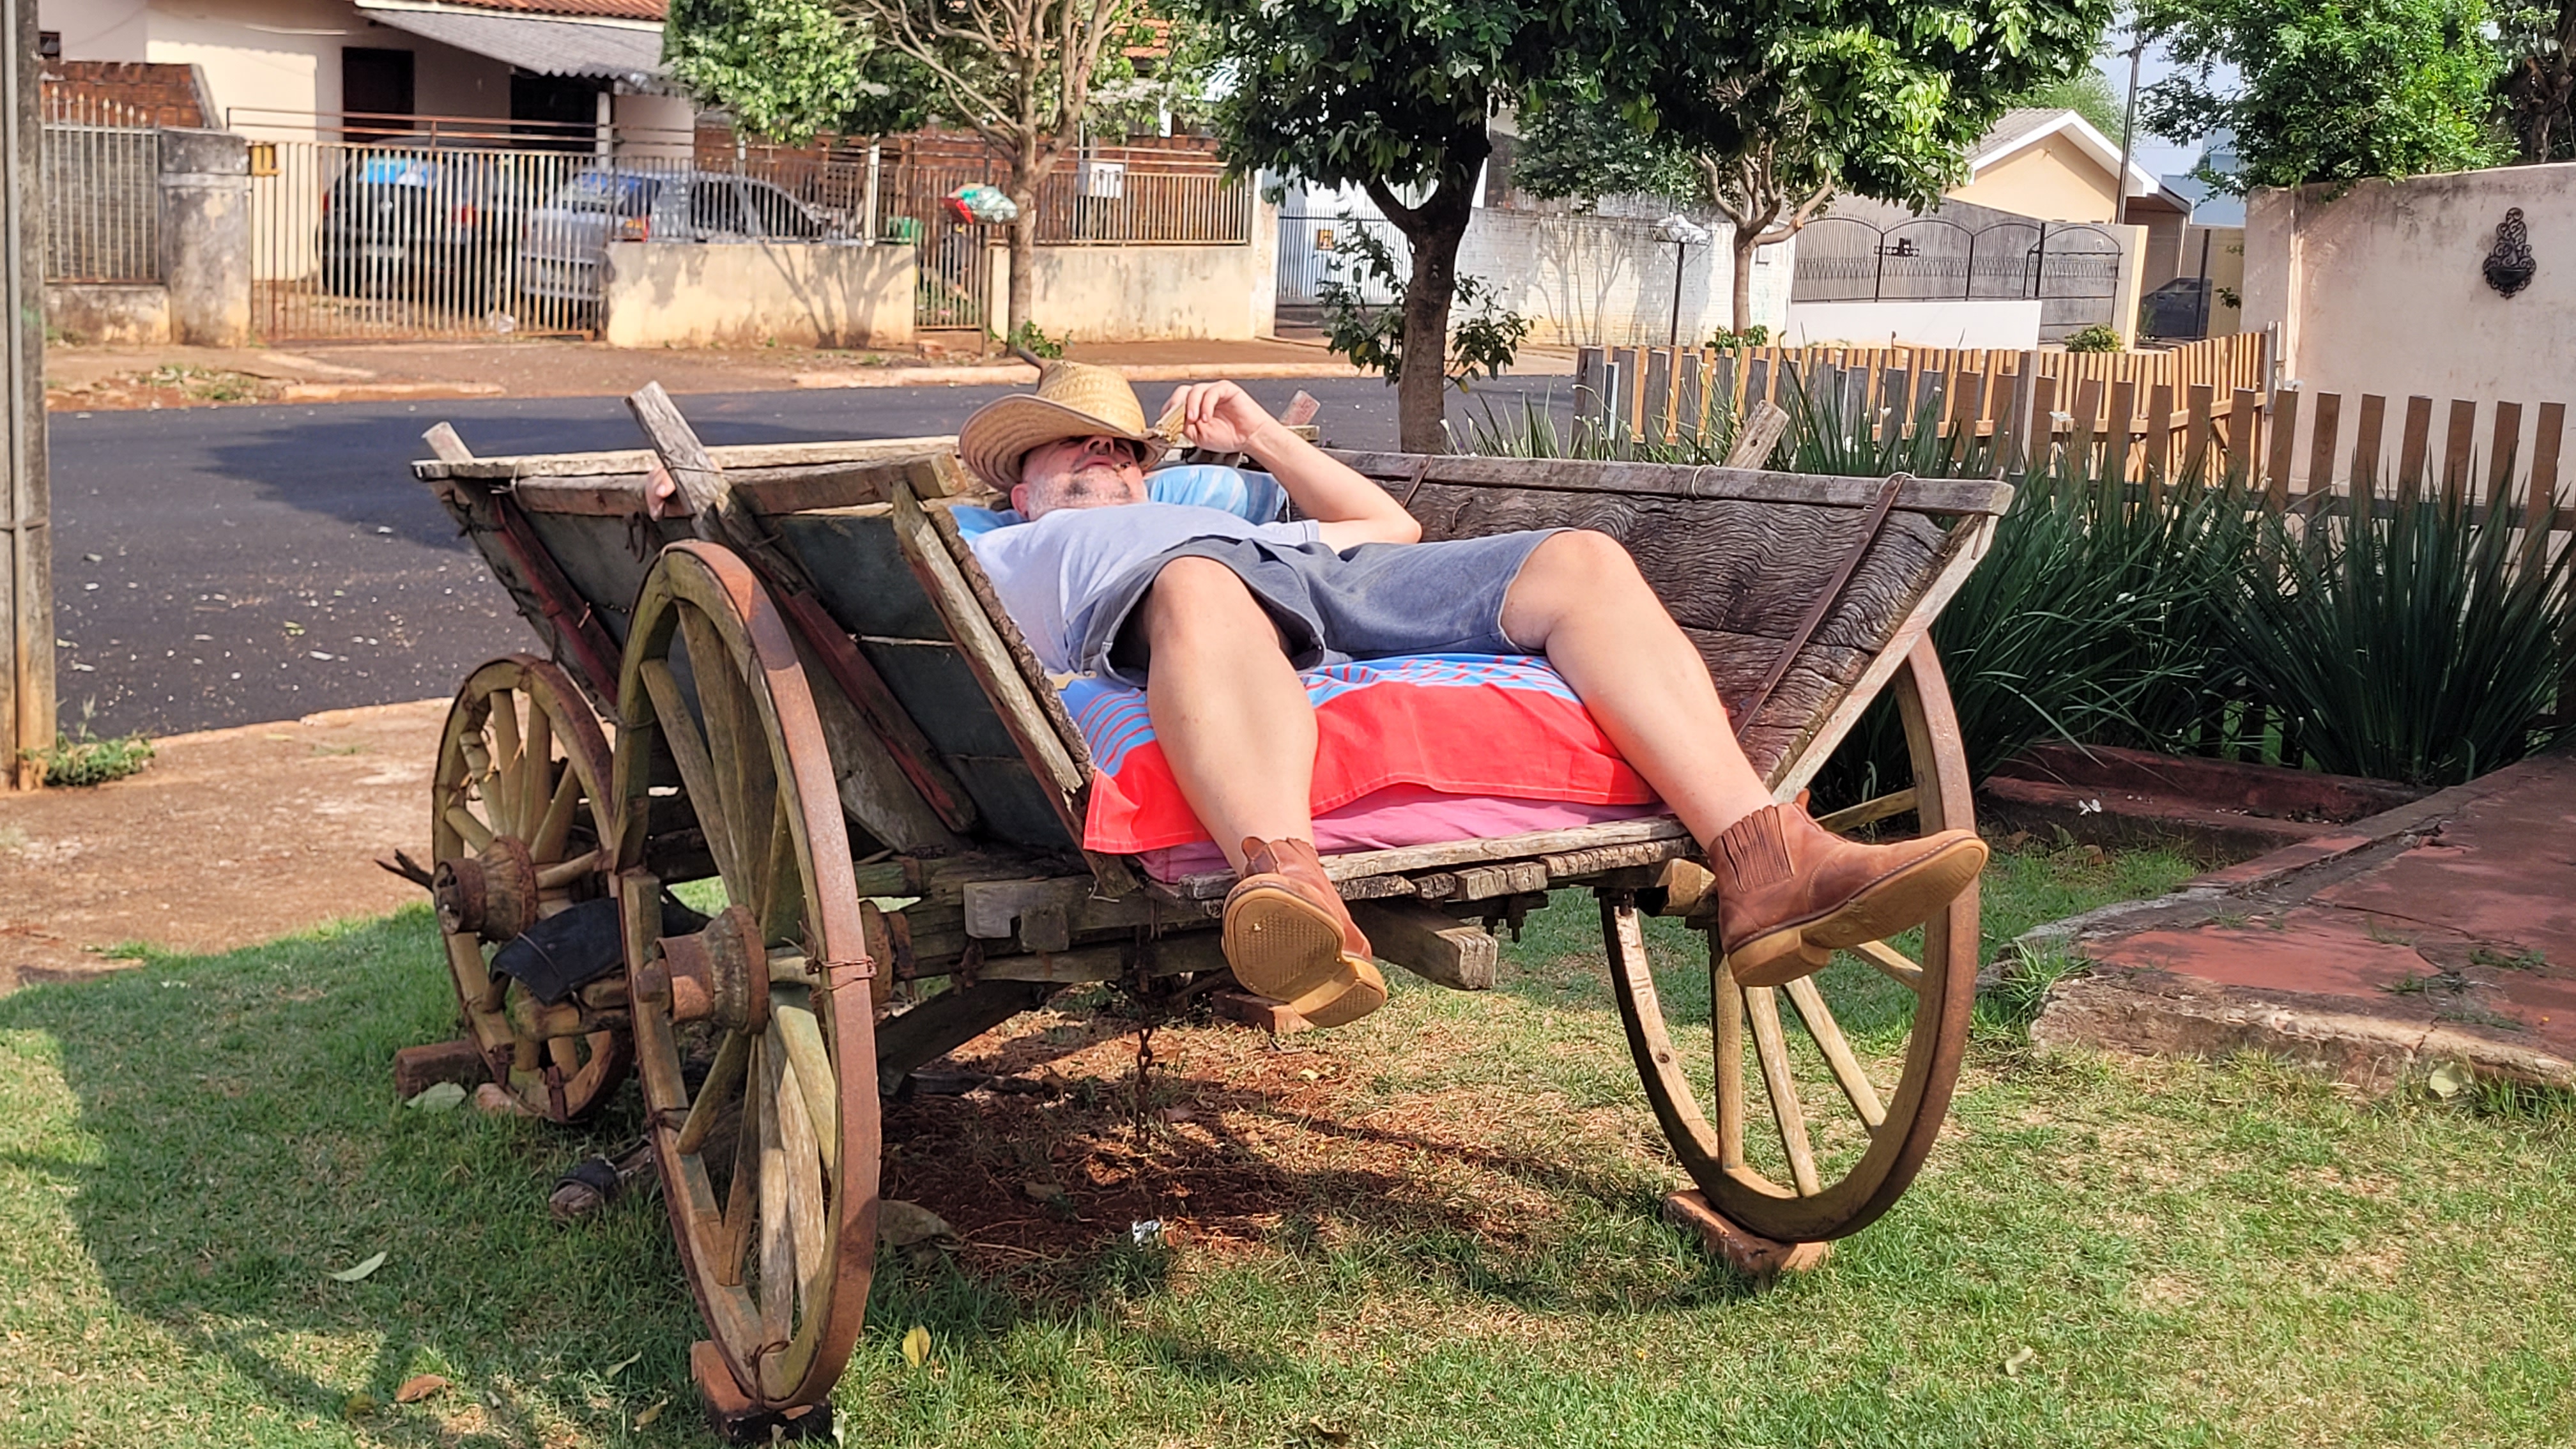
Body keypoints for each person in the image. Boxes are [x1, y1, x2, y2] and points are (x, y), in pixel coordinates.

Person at [957, 362, 1986, 1025]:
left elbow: (1392, 532)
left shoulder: (1219, 505)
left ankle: (1765, 863)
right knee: (1197, 578)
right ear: (1020, 482)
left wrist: (1262, 439)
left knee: (1580, 560)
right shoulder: (996, 545)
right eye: (1072, 442)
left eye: (1122, 445)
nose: (1104, 452)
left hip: (1309, 572)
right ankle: (1289, 886)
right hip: (1178, 595)